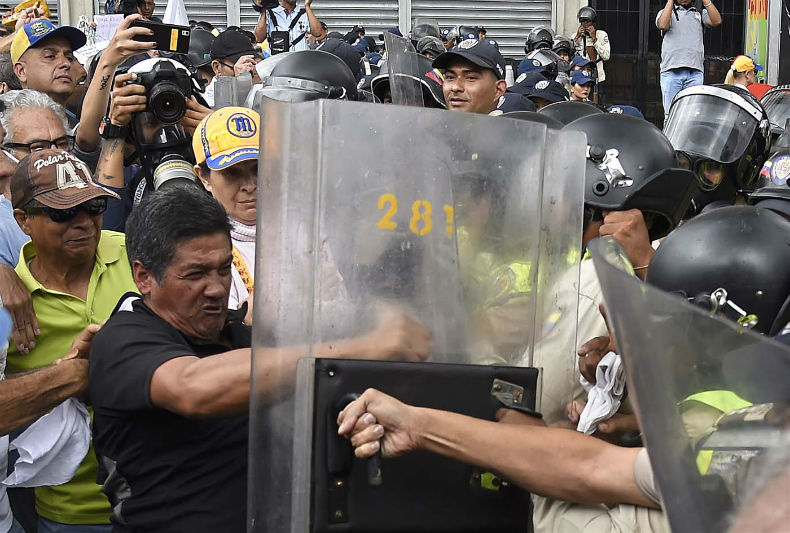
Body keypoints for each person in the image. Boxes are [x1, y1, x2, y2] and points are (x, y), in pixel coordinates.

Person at [88, 186, 431, 532]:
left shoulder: (246, 338)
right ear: (144, 277)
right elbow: (193, 388)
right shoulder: (122, 340)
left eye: (223, 269)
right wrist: (367, 345)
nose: (217, 288)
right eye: (195, 274)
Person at [6, 148, 137, 532]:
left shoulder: (136, 252)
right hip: (70, 513)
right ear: (22, 220)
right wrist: (66, 377)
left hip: (160, 494)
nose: (84, 223)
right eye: (63, 213)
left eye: (94, 206)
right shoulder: (6, 306)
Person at [192, 107, 258, 309]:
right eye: (232, 173)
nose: (249, 185)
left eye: (259, 168)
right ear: (204, 178)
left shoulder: (307, 234)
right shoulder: (197, 251)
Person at [656, 0, 722, 116]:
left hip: (694, 73)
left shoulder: (700, 13)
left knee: (692, 116)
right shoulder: (666, 12)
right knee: (671, 114)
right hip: (671, 72)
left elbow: (717, 21)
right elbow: (662, 24)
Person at [432, 38, 506, 115]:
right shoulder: (433, 125)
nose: (455, 87)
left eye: (471, 78)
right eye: (450, 77)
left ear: (498, 90)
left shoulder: (510, 126)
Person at [253, 0, 322, 53]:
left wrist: (307, 6)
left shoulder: (304, 14)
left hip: (300, 63)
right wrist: (263, 9)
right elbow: (258, 38)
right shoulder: (269, 13)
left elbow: (318, 33)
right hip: (276, 63)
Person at [573, 7, 609, 104]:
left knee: (598, 103)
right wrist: (577, 37)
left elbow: (606, 56)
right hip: (580, 76)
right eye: (583, 22)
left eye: (588, 22)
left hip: (597, 76)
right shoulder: (575, 36)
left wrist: (594, 39)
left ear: (593, 22)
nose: (585, 24)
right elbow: (570, 56)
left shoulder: (601, 35)